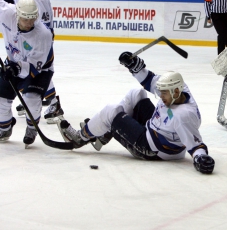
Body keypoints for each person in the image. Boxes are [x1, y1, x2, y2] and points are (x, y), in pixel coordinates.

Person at [57, 52, 215, 174]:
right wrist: (136, 67)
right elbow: (151, 81)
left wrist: (201, 159)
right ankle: (104, 132)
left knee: (111, 111)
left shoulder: (183, 116)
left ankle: (79, 137)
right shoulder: (178, 89)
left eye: (164, 93)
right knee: (136, 93)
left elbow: (195, 146)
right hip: (155, 129)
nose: (160, 96)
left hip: (152, 149)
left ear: (175, 92)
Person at [10, 0, 64, 124]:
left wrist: (44, 41)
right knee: (26, 68)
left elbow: (44, 21)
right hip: (25, 38)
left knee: (40, 70)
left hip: (39, 39)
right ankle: (30, 97)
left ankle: (54, 105)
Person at [0, 0, 54, 147]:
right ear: (17, 14)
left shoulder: (43, 34)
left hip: (40, 69)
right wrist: (13, 66)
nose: (29, 23)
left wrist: (16, 68)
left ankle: (32, 128)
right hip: (13, 62)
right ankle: (5, 127)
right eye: (25, 19)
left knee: (31, 100)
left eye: (32, 19)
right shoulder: (6, 13)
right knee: (1, 100)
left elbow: (34, 66)